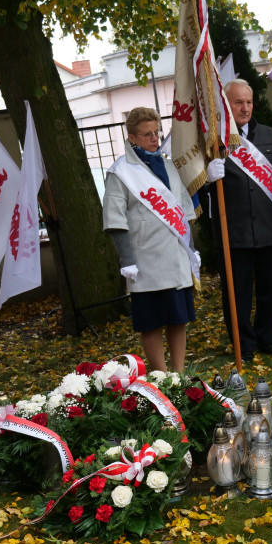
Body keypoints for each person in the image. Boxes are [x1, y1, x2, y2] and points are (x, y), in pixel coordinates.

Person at [202, 79, 272, 359]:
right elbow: (197, 187)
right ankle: (244, 344)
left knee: (271, 290)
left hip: (269, 228)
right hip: (234, 231)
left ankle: (268, 338)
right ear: (226, 105)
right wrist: (208, 180)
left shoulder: (269, 134)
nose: (245, 108)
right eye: (238, 102)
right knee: (237, 294)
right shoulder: (213, 139)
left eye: (249, 102)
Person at [103, 107, 198, 373]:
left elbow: (183, 208)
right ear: (131, 137)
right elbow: (115, 219)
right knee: (152, 322)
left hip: (175, 257)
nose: (155, 139)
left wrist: (191, 249)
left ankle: (178, 374)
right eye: (147, 135)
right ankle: (161, 375)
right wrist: (127, 259)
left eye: (156, 133)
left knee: (178, 319)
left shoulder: (167, 164)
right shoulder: (120, 172)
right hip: (145, 261)